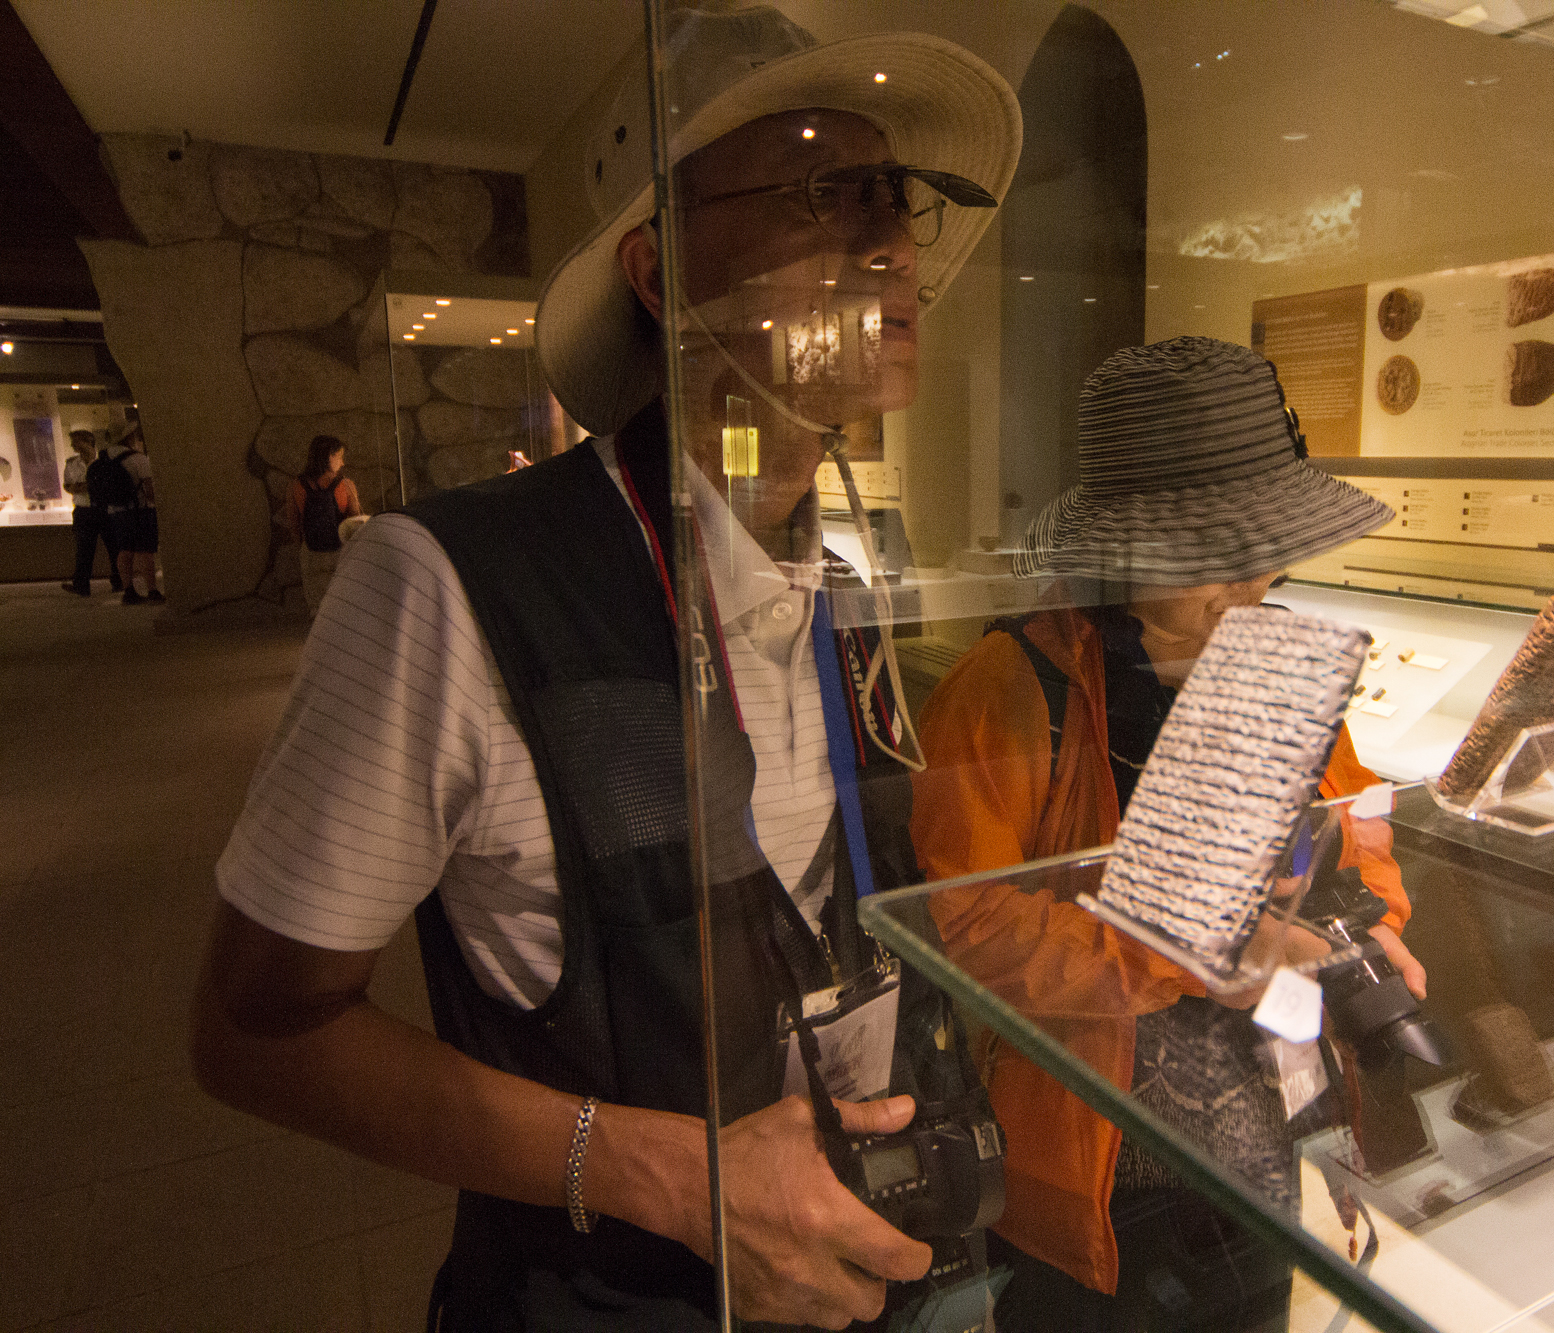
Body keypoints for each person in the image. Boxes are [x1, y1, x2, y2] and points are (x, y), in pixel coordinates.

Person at [191, 11, 1020, 1331]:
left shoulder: (842, 596)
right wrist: (671, 1178)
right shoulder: (452, 581)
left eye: (898, 196)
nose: (892, 243)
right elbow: (255, 1026)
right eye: (827, 190)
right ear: (659, 267)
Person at [910, 338, 1424, 1331]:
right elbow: (962, 925)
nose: (1252, 582)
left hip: (1261, 1138)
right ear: (1127, 550)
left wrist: (1369, 927)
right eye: (1214, 556)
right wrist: (1194, 951)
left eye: (1263, 549)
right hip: (1087, 1178)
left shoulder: (1279, 662)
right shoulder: (1010, 687)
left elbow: (1352, 826)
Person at [282, 433, 362, 615]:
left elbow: (293, 523)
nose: (343, 463)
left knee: (317, 610)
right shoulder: (346, 485)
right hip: (340, 553)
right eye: (339, 457)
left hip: (311, 553)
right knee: (342, 606)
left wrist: (302, 546)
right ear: (328, 457)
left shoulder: (295, 486)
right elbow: (354, 522)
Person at [99, 423, 163, 604]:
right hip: (140, 510)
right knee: (145, 552)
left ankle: (129, 591)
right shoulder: (138, 459)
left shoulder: (104, 459)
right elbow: (149, 489)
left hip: (116, 512)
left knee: (124, 551)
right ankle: (152, 591)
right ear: (129, 437)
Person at [62, 428, 120, 595]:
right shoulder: (72, 463)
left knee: (114, 548)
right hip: (83, 510)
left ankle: (119, 581)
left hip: (103, 509)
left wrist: (87, 486)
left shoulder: (104, 461)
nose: (73, 446)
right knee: (84, 550)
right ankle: (81, 585)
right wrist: (82, 487)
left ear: (88, 442)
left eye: (76, 442)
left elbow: (107, 484)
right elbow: (68, 485)